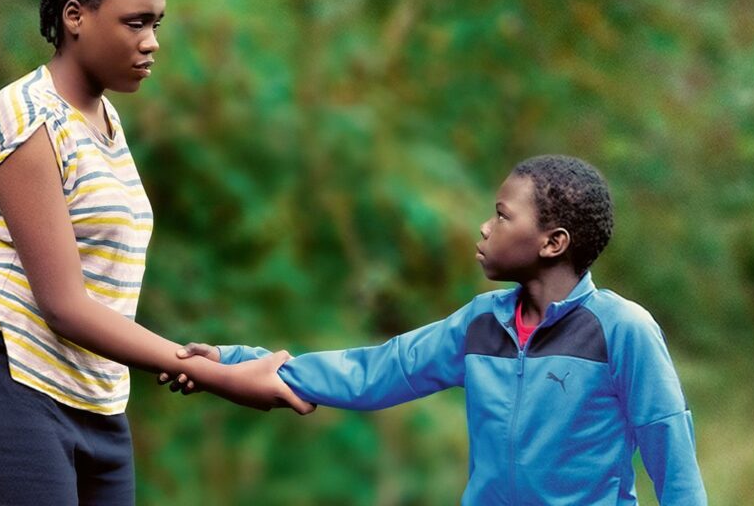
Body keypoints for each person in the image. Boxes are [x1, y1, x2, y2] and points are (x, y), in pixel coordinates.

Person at [0, 0, 311, 505]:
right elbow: (65, 305)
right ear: (75, 17)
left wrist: (199, 360)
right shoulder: (27, 115)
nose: (151, 42)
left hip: (98, 405)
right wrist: (216, 375)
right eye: (135, 23)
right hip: (10, 391)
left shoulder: (103, 120)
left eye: (156, 24)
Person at [162, 155, 707, 505]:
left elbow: (671, 456)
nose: (485, 227)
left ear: (553, 242)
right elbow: (375, 372)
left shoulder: (622, 330)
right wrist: (236, 360)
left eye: (503, 216)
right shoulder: (481, 323)